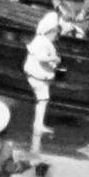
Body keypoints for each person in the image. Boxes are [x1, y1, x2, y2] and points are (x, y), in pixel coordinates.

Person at [23, 12, 61, 143]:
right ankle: (38, 125)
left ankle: (38, 124)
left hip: (38, 75)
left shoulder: (40, 41)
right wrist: (53, 58)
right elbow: (41, 57)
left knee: (43, 99)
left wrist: (54, 62)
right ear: (50, 31)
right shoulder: (42, 42)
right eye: (55, 33)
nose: (56, 36)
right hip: (37, 76)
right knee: (43, 99)